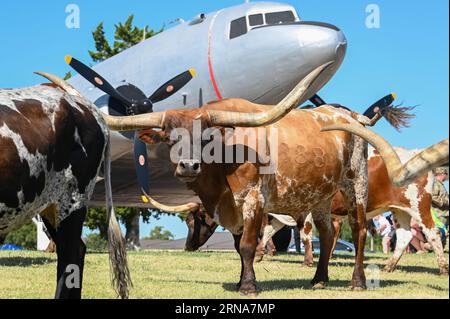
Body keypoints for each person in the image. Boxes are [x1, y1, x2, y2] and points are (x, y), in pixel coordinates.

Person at [432, 167, 449, 252]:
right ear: (442, 174)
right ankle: (427, 247)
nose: (446, 176)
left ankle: (445, 248)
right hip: (439, 213)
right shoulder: (435, 184)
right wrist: (446, 202)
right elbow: (433, 197)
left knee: (445, 233)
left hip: (445, 212)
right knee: (440, 232)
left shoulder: (440, 184)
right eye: (446, 174)